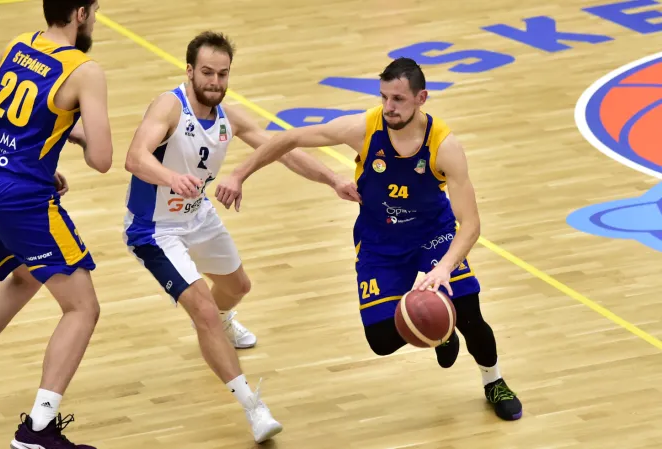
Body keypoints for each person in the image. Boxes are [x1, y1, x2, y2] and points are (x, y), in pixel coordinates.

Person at [214, 57, 523, 422]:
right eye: (384, 98)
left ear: (421, 98)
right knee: (380, 340)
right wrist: (238, 174)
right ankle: (441, 332)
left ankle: (495, 381)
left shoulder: (445, 145)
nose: (389, 107)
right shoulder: (363, 129)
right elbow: (290, 138)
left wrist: (443, 268)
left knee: (470, 312)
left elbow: (470, 224)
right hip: (380, 240)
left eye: (398, 99)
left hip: (432, 235)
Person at [122, 30, 359, 443]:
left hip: (199, 216)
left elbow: (282, 149)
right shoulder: (169, 106)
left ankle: (225, 322)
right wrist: (171, 178)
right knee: (204, 312)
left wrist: (333, 179)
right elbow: (135, 157)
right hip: (155, 229)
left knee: (237, 287)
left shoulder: (229, 115)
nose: (215, 81)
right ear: (190, 71)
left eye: (223, 74)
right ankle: (253, 406)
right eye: (207, 73)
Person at [0, 1, 112, 447]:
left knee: (25, 274)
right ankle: (38, 429)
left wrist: (45, 147)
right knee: (83, 308)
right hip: (20, 199)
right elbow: (103, 159)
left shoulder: (16, 45)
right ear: (82, 13)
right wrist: (76, 130)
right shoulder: (85, 70)